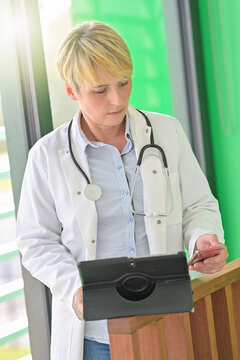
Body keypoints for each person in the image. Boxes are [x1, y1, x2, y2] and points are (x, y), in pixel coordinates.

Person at [16, 20, 228, 360]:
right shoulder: (46, 156)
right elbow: (36, 242)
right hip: (96, 338)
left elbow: (198, 206)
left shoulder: (166, 131)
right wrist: (74, 289)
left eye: (124, 82)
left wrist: (202, 238)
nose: (117, 99)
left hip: (167, 320)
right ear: (72, 91)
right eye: (100, 90)